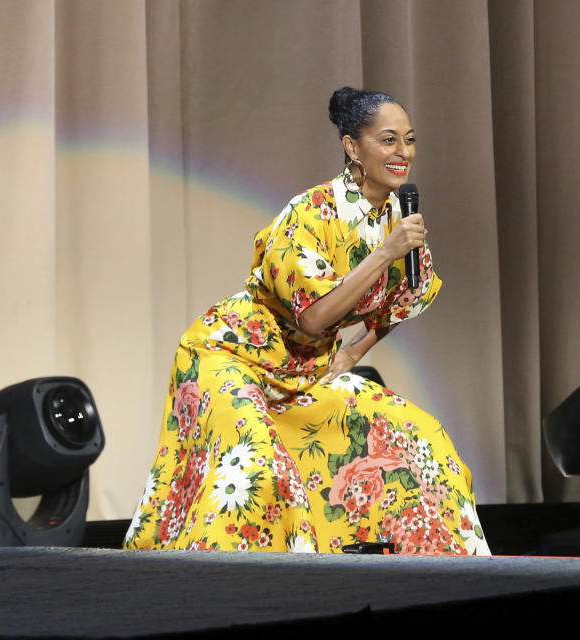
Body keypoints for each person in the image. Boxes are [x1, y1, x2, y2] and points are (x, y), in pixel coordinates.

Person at [123, 87, 491, 555]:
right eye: (389, 140)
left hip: (305, 371)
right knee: (255, 467)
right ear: (352, 147)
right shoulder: (310, 213)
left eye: (410, 140)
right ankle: (222, 592)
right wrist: (386, 253)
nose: (403, 153)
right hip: (232, 356)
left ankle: (435, 576)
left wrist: (354, 351)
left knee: (417, 436)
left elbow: (410, 296)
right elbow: (315, 317)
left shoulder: (399, 218)